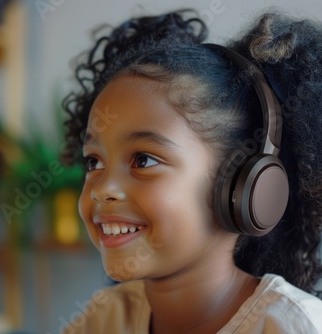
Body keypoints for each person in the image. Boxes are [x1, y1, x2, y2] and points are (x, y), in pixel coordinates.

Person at [60, 8, 322, 334]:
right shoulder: (103, 320)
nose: (101, 188)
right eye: (94, 162)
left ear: (244, 186)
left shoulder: (294, 325)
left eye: (143, 160)